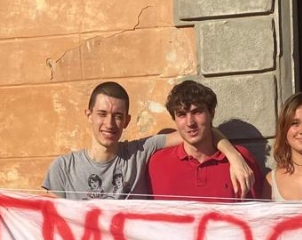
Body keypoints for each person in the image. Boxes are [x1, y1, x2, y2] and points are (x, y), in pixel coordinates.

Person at [42, 81, 254, 200]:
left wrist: (233, 156)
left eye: (117, 116)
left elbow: (195, 131)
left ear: (127, 121)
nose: (109, 123)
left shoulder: (140, 151)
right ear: (88, 115)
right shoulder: (63, 168)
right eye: (102, 114)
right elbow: (47, 224)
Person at [145, 80, 266, 203]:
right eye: (182, 114)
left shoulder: (242, 159)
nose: (190, 122)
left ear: (211, 113)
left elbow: (260, 214)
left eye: (197, 112)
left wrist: (234, 156)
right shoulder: (157, 163)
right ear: (174, 119)